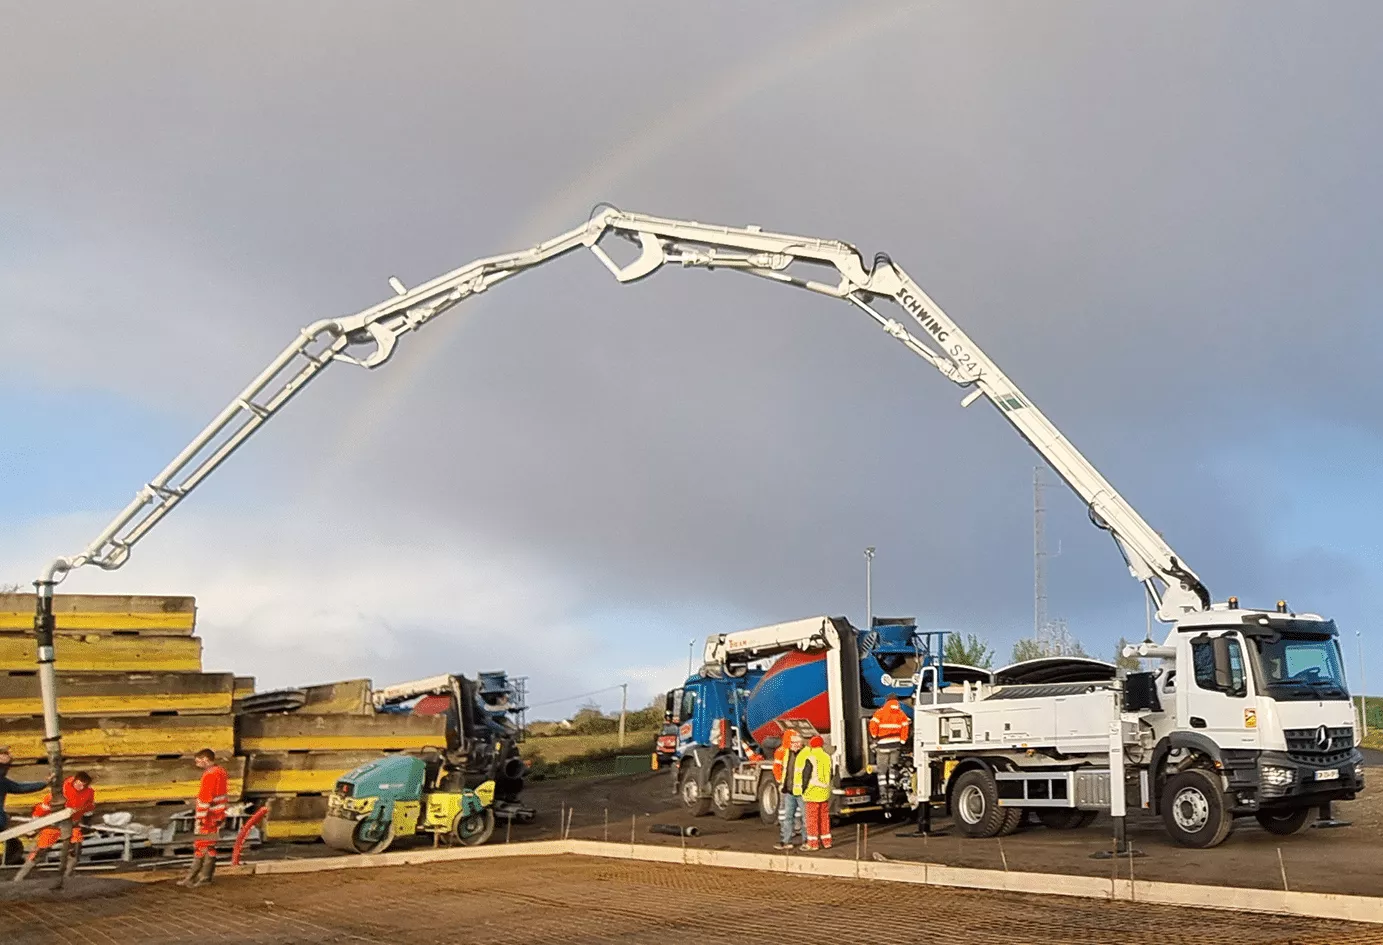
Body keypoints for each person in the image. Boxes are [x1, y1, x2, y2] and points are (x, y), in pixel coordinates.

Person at [14, 771, 96, 882]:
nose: (80, 787)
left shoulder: (88, 793)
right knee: (39, 852)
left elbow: (89, 807)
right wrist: (34, 825)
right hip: (53, 825)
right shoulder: (61, 791)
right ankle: (19, 878)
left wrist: (87, 823)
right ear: (74, 781)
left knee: (75, 849)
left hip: (72, 825)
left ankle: (68, 877)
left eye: (83, 785)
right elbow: (44, 807)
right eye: (78, 783)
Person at [178, 748, 229, 888]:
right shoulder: (221, 772)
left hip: (208, 818)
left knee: (201, 845)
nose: (197, 764)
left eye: (198, 761)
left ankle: (196, 877)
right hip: (217, 815)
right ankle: (202, 877)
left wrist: (200, 818)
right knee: (209, 846)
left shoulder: (209, 775)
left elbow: (205, 798)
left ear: (206, 759)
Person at [0, 746, 47, 866]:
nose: (6, 770)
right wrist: (45, 783)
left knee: (12, 842)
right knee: (13, 844)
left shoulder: (3, 781)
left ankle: (10, 860)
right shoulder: (2, 781)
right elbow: (20, 788)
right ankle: (10, 861)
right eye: (5, 767)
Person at [868, 694, 911, 798]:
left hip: (882, 745)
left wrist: (874, 735)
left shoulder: (880, 713)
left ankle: (883, 793)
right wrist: (902, 740)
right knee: (893, 768)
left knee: (881, 770)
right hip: (895, 746)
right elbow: (905, 727)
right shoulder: (901, 714)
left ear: (886, 701)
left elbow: (873, 725)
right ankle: (892, 790)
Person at [772, 729, 805, 850]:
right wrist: (781, 782)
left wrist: (780, 782)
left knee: (787, 813)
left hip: (791, 788)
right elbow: (779, 768)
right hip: (791, 788)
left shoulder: (782, 751)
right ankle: (793, 835)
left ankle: (787, 837)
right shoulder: (786, 752)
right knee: (791, 813)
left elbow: (778, 768)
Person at [798, 735, 833, 851]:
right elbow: (830, 774)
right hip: (824, 792)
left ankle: (813, 844)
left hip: (812, 793)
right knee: (824, 818)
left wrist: (803, 790)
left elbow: (805, 776)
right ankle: (827, 842)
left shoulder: (810, 757)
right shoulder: (827, 757)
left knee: (812, 820)